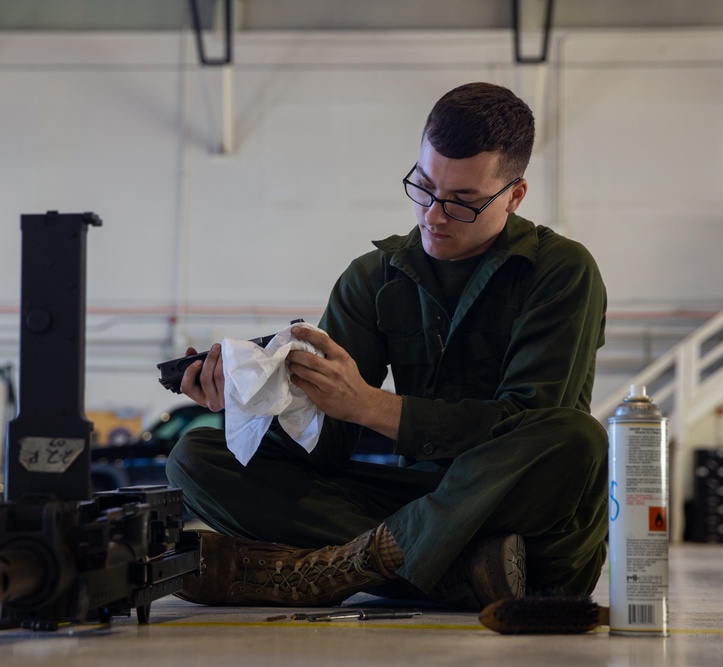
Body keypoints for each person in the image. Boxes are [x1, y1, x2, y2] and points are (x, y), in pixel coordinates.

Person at [165, 81, 608, 610]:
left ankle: (351, 567)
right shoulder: (373, 279)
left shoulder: (560, 271)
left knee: (575, 438)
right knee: (198, 455)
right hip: (421, 512)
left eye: (462, 202)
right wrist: (257, 400)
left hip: (523, 520)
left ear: (514, 195)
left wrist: (372, 406)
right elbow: (327, 448)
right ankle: (446, 573)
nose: (433, 215)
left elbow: (531, 424)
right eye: (423, 188)